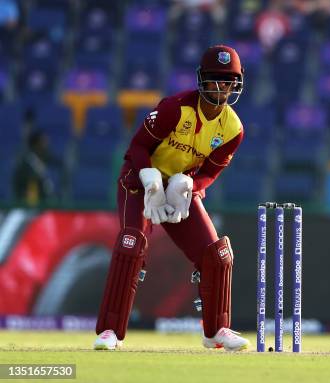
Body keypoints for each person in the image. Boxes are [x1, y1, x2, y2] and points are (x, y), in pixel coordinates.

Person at [94, 45, 249, 351]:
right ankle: (110, 332)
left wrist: (191, 187)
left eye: (227, 80)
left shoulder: (232, 129)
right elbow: (137, 147)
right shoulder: (175, 108)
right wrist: (149, 177)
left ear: (237, 83)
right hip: (140, 181)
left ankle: (217, 331)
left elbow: (210, 171)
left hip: (178, 185)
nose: (221, 87)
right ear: (201, 80)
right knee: (132, 244)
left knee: (217, 254)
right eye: (215, 79)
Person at [12, 130, 56, 206]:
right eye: (43, 142)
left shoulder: (46, 161)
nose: (47, 144)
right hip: (27, 206)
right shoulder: (25, 164)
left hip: (44, 205)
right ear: (36, 145)